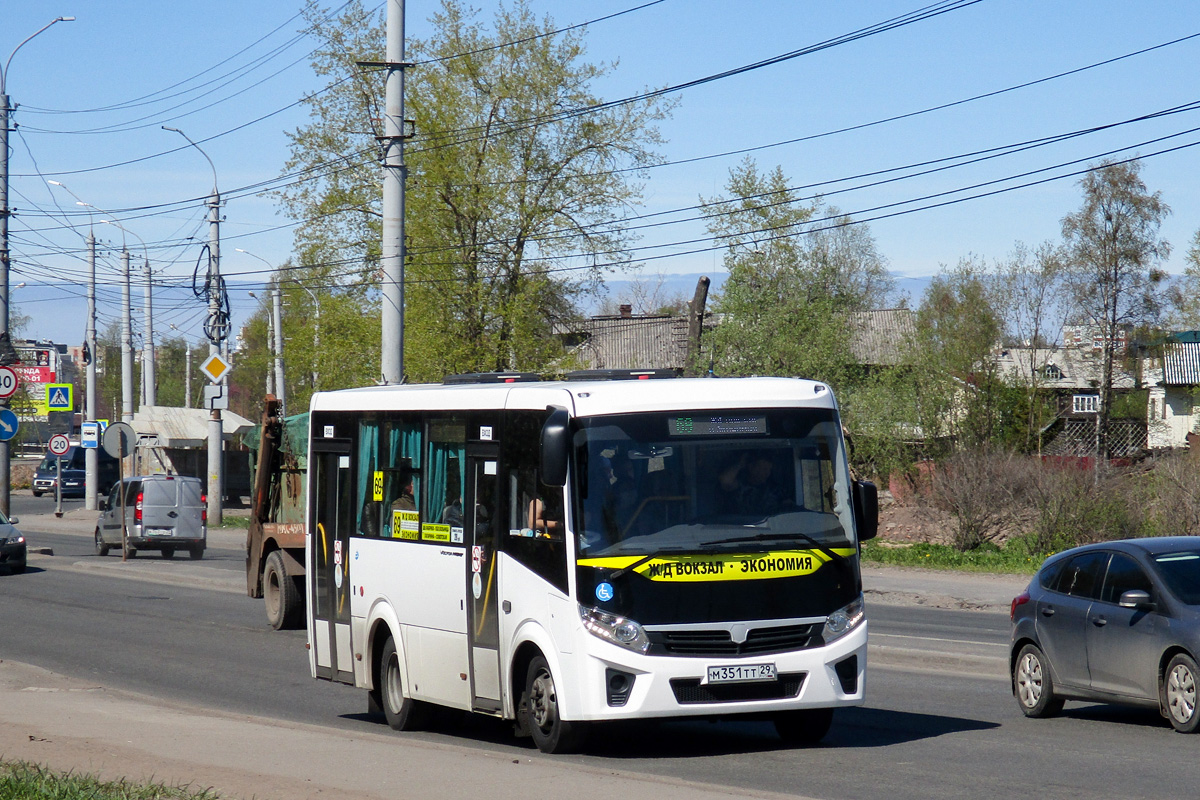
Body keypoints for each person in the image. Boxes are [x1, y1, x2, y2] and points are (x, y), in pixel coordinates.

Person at [717, 452, 783, 515]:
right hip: (737, 524)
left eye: (769, 469)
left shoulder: (774, 489)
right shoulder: (740, 485)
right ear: (751, 467)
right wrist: (740, 464)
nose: (767, 473)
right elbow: (725, 480)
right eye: (764, 469)